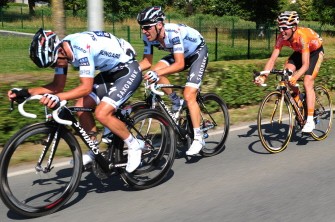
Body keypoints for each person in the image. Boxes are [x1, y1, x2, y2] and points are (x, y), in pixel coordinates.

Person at [7, 28, 144, 173]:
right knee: (80, 107)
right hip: (110, 73)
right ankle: (94, 150)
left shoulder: (80, 48)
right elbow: (57, 86)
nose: (55, 67)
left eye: (54, 63)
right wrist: (26, 92)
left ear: (60, 51)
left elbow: (85, 88)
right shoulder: (63, 53)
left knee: (102, 113)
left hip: (128, 70)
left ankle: (134, 145)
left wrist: (58, 97)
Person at [137, 6, 209, 156]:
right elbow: (146, 62)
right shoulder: (147, 37)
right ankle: (176, 101)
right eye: (142, 28)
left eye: (146, 27)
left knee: (189, 94)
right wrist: (128, 73)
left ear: (158, 25)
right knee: (155, 71)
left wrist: (156, 73)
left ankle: (198, 137)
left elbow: (180, 64)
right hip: (180, 54)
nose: (144, 31)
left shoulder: (173, 32)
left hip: (196, 53)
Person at [254, 11, 324, 133]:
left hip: (315, 52)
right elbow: (272, 59)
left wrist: (296, 76)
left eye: (284, 28)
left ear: (293, 27)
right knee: (287, 75)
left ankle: (310, 119)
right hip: (299, 52)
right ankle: (299, 100)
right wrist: (263, 76)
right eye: (280, 27)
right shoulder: (281, 37)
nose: (281, 31)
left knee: (307, 81)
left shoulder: (302, 36)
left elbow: (306, 64)